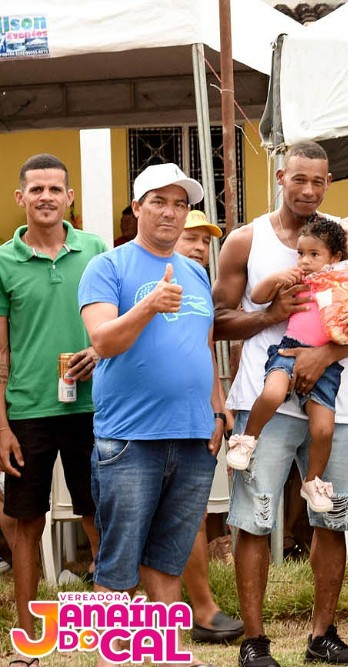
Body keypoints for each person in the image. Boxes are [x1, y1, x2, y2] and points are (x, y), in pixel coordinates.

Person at [214, 140, 348, 667]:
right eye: (298, 178)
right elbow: (217, 320)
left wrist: (323, 355)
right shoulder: (246, 240)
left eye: (318, 181)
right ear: (280, 177)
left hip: (335, 399)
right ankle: (254, 641)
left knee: (333, 516)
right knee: (254, 519)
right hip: (263, 396)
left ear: (328, 182)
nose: (308, 189)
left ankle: (322, 635)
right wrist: (270, 316)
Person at [78, 162, 225, 667]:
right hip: (130, 437)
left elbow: (204, 345)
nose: (170, 212)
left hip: (193, 435)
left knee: (168, 556)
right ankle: (112, 656)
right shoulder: (107, 267)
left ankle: (166, 653)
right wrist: (148, 306)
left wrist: (217, 410)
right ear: (137, 207)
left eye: (180, 204)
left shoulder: (196, 271)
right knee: (119, 559)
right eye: (159, 201)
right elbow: (102, 340)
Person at [1, 154, 105, 665]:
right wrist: (1, 426)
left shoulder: (96, 250)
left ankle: (112, 630)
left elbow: (115, 324)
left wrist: (99, 350)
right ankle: (28, 636)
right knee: (26, 523)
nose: (46, 197)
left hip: (95, 407)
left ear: (69, 197)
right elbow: (0, 353)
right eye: (36, 189)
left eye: (55, 189)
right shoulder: (3, 262)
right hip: (27, 413)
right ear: (20, 197)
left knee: (99, 516)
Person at [227, 215, 348, 512]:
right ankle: (247, 439)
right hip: (289, 350)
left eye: (314, 254)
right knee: (272, 393)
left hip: (327, 366)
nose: (305, 261)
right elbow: (257, 296)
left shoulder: (347, 286)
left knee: (323, 430)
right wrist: (275, 280)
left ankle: (313, 481)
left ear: (335, 257)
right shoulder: (299, 279)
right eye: (301, 253)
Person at [172, 209, 244, 645]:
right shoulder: (135, 274)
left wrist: (218, 408)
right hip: (146, 416)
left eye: (205, 241)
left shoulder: (201, 280)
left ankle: (202, 609)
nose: (200, 248)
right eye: (191, 238)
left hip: (196, 413)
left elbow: (205, 349)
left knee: (191, 514)